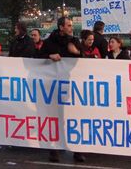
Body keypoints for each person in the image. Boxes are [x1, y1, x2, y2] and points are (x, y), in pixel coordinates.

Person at [38, 17, 85, 163]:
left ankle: (76, 150)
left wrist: (76, 52)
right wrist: (49, 56)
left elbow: (84, 58)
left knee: (72, 118)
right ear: (61, 27)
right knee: (54, 117)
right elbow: (37, 58)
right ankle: (54, 150)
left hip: (70, 86)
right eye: (69, 25)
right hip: (52, 87)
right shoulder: (50, 42)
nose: (71, 27)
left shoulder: (74, 41)